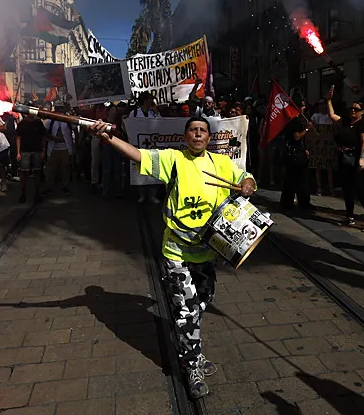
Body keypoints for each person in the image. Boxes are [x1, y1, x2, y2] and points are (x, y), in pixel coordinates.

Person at [88, 116, 255, 399]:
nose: (198, 134)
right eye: (193, 130)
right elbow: (138, 154)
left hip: (208, 252)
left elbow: (245, 178)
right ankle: (192, 367)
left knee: (203, 300)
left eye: (203, 130)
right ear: (186, 136)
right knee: (186, 312)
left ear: (209, 137)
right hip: (177, 253)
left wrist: (248, 184)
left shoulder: (222, 164)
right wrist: (107, 138)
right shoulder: (173, 160)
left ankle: (192, 347)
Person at [335, 100, 364, 228]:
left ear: (362, 112)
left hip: (355, 160)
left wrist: (362, 158)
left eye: (356, 109)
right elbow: (332, 116)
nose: (352, 110)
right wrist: (328, 101)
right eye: (351, 109)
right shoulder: (347, 123)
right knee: (347, 189)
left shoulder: (362, 125)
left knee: (360, 189)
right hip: (345, 160)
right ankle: (350, 216)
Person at [280, 99, 313, 212]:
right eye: (302, 106)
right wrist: (307, 129)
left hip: (297, 152)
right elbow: (297, 136)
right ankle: (298, 202)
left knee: (295, 179)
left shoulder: (296, 119)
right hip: (295, 156)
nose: (304, 108)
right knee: (299, 179)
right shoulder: (295, 121)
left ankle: (290, 202)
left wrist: (305, 148)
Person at [130, 91, 162, 203]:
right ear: (144, 100)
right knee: (140, 169)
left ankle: (153, 195)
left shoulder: (153, 113)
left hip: (152, 145)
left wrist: (157, 112)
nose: (151, 101)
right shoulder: (134, 113)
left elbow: (162, 125)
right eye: (149, 99)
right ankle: (142, 195)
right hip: (139, 145)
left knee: (154, 170)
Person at [15, 110, 46, 203]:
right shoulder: (22, 124)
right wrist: (18, 152)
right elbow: (18, 138)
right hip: (25, 151)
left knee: (37, 172)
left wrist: (43, 150)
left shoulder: (38, 123)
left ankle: (38, 193)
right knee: (24, 173)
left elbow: (43, 137)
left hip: (36, 151)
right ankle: (23, 193)